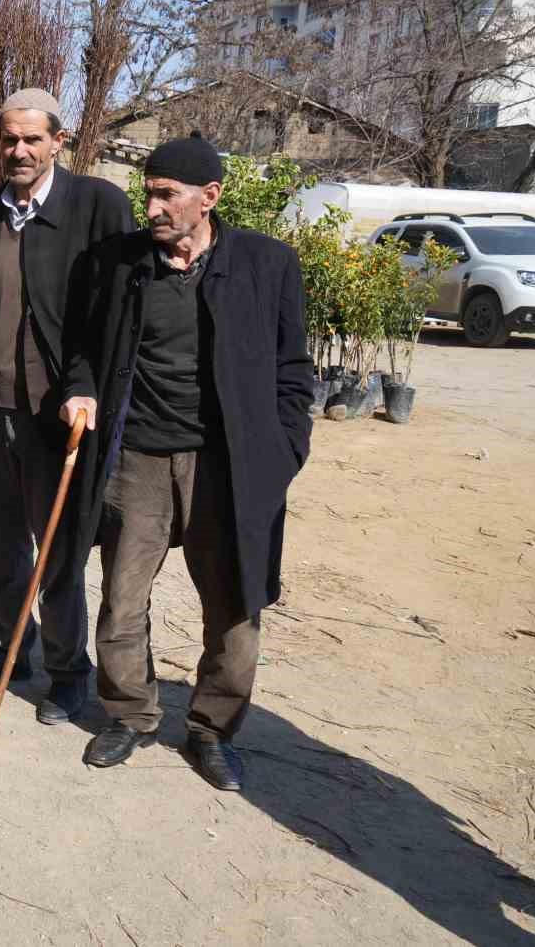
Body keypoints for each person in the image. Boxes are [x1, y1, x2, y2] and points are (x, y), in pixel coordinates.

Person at [58, 134, 314, 790]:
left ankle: (211, 731)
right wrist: (79, 389)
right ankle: (131, 715)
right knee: (121, 602)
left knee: (232, 606)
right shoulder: (117, 264)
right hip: (136, 459)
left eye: (167, 194)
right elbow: (82, 347)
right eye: (149, 192)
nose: (153, 206)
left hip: (223, 465)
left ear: (210, 198)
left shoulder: (267, 266)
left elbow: (293, 372)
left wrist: (284, 451)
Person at [0, 88, 133, 726]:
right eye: (7, 139)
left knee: (59, 550)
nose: (18, 151)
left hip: (61, 414)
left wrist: (91, 387)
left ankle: (67, 671)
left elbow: (116, 312)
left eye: (32, 139)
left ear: (59, 141)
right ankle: (9, 650)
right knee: (1, 547)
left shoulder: (96, 205)